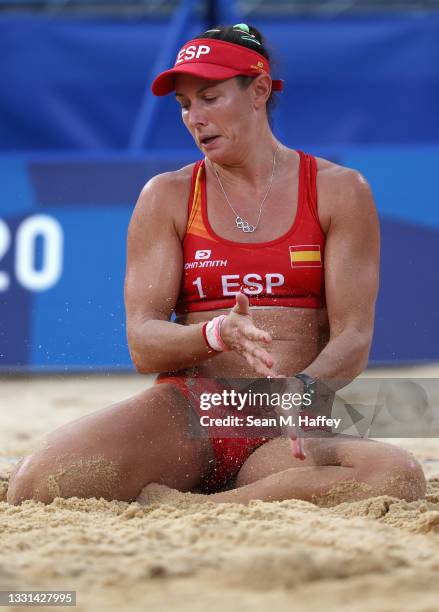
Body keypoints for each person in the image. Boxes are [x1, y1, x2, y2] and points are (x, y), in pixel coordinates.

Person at [7, 24, 425, 506]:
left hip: (283, 425)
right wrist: (214, 335)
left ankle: (196, 505)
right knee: (38, 486)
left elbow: (353, 335)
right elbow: (143, 344)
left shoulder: (339, 189)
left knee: (396, 475)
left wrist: (303, 389)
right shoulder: (167, 195)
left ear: (260, 90)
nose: (195, 118)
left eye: (209, 97)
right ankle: (241, 495)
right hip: (190, 412)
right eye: (185, 105)